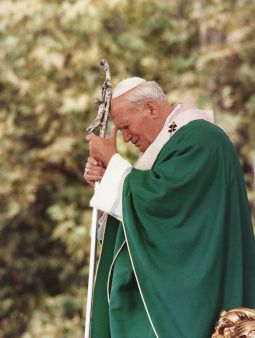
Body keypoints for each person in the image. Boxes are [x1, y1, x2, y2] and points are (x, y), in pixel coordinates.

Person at [84, 77, 255, 338]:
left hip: (202, 298)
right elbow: (144, 202)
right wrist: (109, 176)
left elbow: (166, 208)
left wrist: (114, 164)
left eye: (126, 127)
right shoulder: (168, 149)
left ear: (151, 108)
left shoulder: (202, 140)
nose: (126, 138)